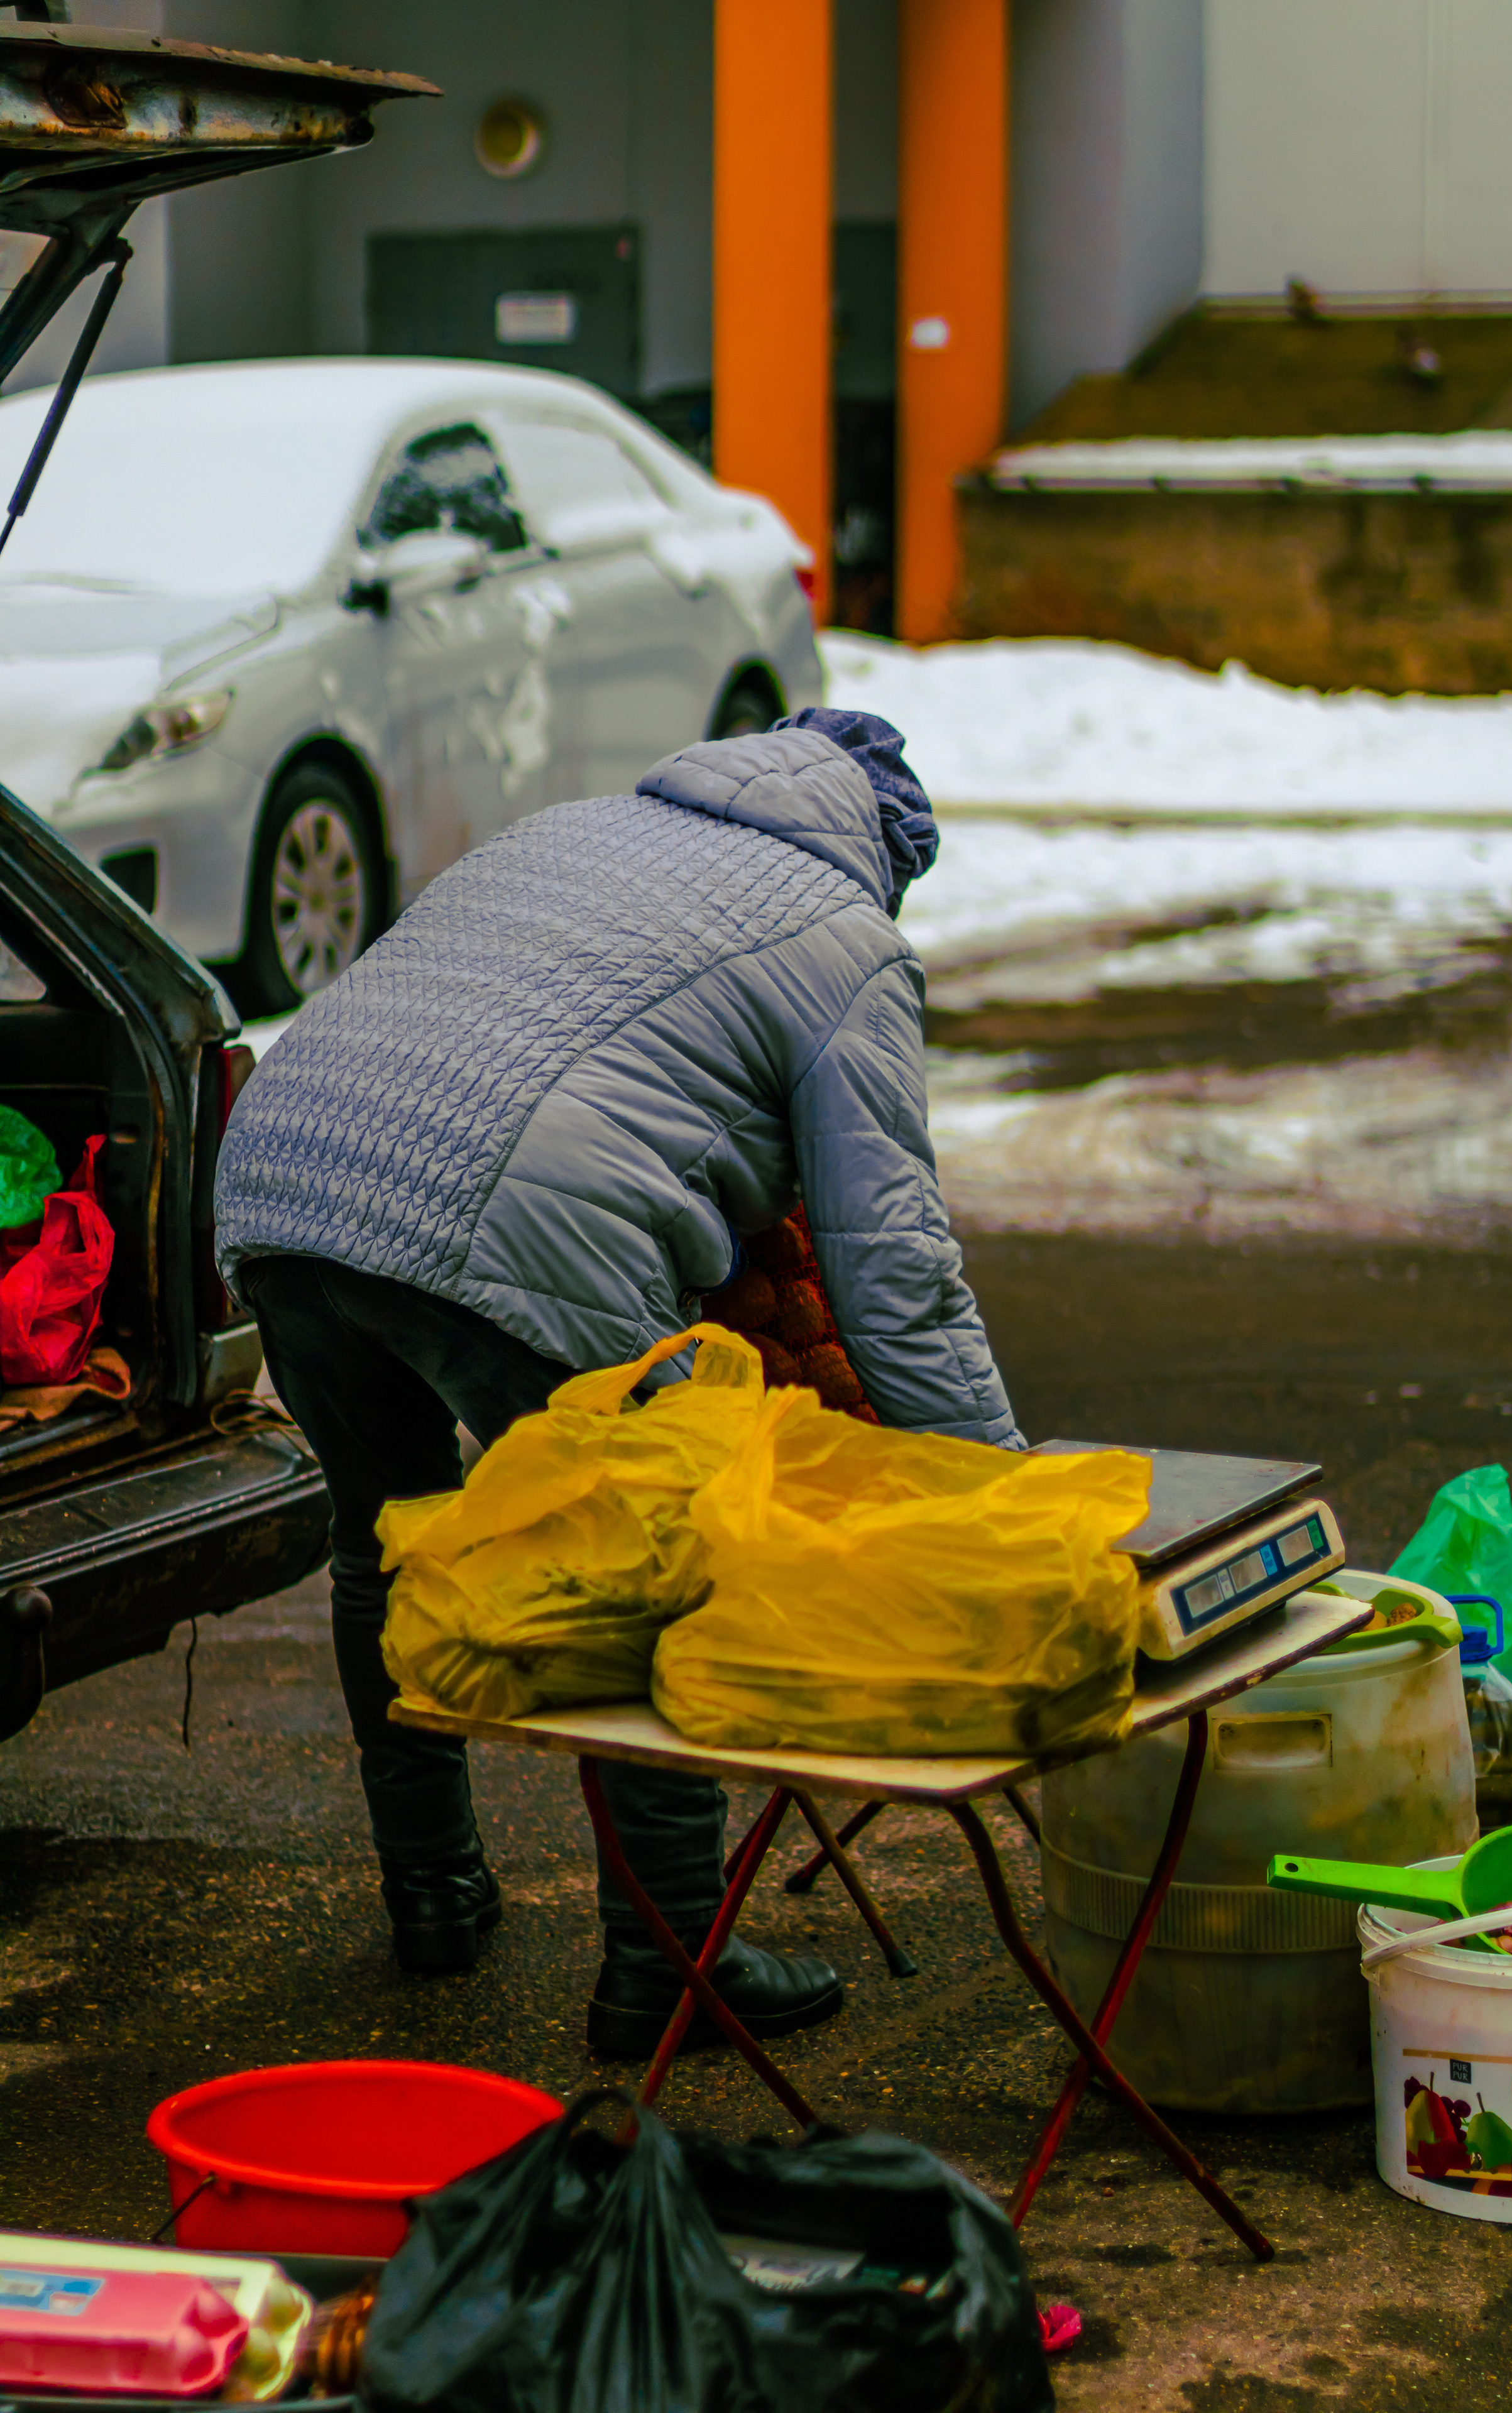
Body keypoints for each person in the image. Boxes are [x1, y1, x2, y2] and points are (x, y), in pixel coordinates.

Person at [214, 708, 1024, 2055]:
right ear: (881, 846)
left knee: (388, 1546)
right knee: (650, 1561)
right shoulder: (845, 938)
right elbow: (894, 1272)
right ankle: (670, 1965)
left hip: (288, 1169)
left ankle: (432, 1892)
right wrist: (1001, 1500)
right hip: (502, 1210)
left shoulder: (574, 830)